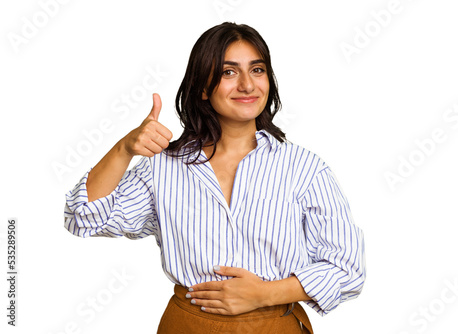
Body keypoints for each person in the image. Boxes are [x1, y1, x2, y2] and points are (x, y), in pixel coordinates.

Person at [64, 22, 366, 333]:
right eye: (229, 72)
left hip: (274, 326)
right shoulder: (163, 167)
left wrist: (265, 293)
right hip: (188, 324)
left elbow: (347, 269)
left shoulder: (305, 169)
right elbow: (83, 218)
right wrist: (123, 149)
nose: (247, 85)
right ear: (203, 87)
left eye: (257, 70)